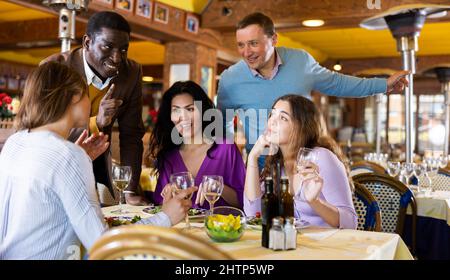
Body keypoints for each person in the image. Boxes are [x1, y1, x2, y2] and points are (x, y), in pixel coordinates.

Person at [0, 62, 196, 260]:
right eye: (87, 95)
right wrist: (166, 217)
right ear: (75, 95)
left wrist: (78, 156)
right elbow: (102, 244)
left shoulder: (15, 142)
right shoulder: (68, 155)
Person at [217, 12, 409, 162]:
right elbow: (221, 125)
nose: (246, 52)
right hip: (259, 168)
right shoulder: (230, 79)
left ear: (274, 39)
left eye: (253, 43)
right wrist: (231, 160)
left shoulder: (300, 61)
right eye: (241, 45)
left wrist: (382, 85)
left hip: (305, 163)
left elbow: (338, 83)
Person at [42, 11, 147, 205]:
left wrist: (130, 190)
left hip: (99, 166)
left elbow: (131, 134)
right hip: (55, 168)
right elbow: (45, 133)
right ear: (87, 42)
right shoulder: (54, 69)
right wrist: (96, 122)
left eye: (123, 50)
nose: (116, 58)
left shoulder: (131, 73)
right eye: (107, 47)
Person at [244, 94, 357, 229]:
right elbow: (253, 215)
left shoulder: (321, 158)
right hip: (293, 246)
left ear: (301, 127)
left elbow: (350, 223)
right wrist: (252, 158)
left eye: (283, 118)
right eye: (272, 114)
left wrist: (315, 202)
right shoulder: (274, 163)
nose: (272, 122)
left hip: (328, 246)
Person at [148, 81, 246, 209]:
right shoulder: (169, 156)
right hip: (180, 228)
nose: (183, 117)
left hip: (219, 227)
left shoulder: (226, 148)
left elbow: (244, 201)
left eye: (190, 109)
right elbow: (160, 207)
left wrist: (219, 187)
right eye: (176, 110)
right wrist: (168, 197)